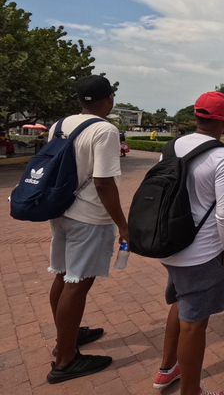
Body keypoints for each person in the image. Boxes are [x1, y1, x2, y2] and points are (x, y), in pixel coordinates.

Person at [153, 91, 224, 395]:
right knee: (194, 323)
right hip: (201, 252)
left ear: (196, 116)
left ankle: (167, 369)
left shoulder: (171, 146)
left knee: (179, 302)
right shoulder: (223, 156)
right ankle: (191, 392)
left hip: (170, 243)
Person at [46, 75, 130, 384]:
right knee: (77, 283)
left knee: (64, 275)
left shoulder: (60, 124)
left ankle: (66, 333)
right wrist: (123, 224)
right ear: (109, 99)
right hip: (90, 215)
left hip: (62, 209)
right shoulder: (105, 130)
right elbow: (103, 182)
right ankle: (65, 358)